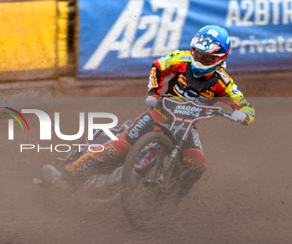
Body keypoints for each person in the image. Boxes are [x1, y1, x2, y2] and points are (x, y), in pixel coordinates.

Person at [44, 25, 255, 194]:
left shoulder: (224, 83)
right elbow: (158, 66)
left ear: (220, 59)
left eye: (207, 59)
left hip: (186, 127)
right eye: (197, 54)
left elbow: (245, 106)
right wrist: (154, 91)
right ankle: (67, 175)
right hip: (159, 114)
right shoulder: (181, 60)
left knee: (196, 164)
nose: (200, 60)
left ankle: (170, 199)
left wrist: (243, 114)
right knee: (116, 148)